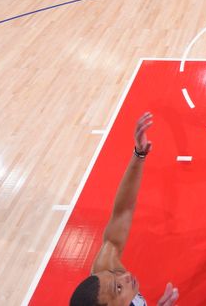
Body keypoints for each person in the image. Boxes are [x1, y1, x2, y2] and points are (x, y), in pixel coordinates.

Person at [69, 112, 179, 306]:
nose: (124, 275)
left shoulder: (105, 265)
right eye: (118, 288)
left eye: (114, 275)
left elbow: (123, 211)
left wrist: (139, 154)